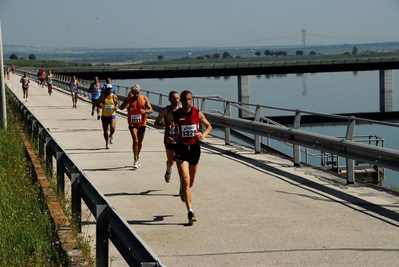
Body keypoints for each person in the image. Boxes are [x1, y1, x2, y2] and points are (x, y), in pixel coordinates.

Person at [166, 90, 212, 225]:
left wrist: (203, 136)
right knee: (185, 180)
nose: (187, 102)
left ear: (192, 100)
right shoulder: (175, 114)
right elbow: (168, 125)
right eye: (185, 100)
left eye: (190, 99)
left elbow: (209, 126)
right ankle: (190, 211)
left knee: (190, 183)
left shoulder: (197, 113)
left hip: (194, 149)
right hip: (180, 149)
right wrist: (169, 135)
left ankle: (183, 190)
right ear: (181, 100)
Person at [120, 84, 153, 169]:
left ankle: (137, 156)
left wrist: (145, 111)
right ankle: (135, 159)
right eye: (134, 93)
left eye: (137, 93)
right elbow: (121, 108)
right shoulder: (130, 99)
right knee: (135, 140)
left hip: (142, 123)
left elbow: (151, 110)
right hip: (132, 123)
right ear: (131, 92)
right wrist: (127, 99)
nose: (136, 95)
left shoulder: (144, 98)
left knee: (140, 142)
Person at [154, 91, 180, 183]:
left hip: (180, 140)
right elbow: (156, 123)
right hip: (169, 139)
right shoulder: (166, 110)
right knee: (171, 161)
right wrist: (166, 125)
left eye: (177, 98)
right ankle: (168, 171)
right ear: (169, 100)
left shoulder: (182, 110)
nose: (176, 100)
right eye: (174, 98)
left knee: (181, 162)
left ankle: (183, 184)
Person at [97, 84, 119, 149]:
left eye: (110, 89)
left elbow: (117, 103)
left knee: (113, 128)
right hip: (104, 115)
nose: (109, 90)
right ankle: (107, 142)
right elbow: (98, 103)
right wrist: (100, 105)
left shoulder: (114, 96)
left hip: (112, 114)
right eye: (108, 89)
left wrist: (116, 107)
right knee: (105, 130)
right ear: (106, 89)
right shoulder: (103, 96)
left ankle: (111, 135)